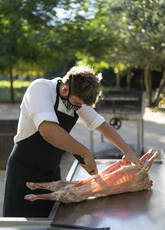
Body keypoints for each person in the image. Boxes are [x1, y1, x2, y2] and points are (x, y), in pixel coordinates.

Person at [3, 65, 142, 218]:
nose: (77, 108)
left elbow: (102, 125)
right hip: (23, 171)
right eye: (76, 103)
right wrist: (85, 153)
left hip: (51, 172)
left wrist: (128, 152)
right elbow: (49, 131)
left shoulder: (76, 100)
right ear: (65, 88)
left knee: (49, 225)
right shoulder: (40, 89)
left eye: (80, 106)